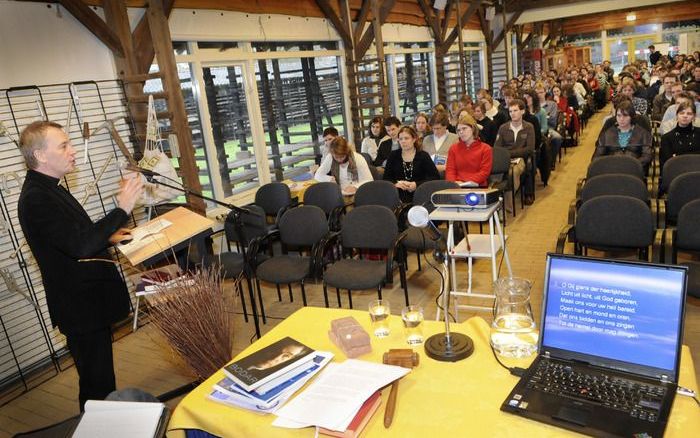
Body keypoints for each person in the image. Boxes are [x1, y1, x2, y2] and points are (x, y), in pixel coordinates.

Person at [17, 121, 143, 411]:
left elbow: (72, 238)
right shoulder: (36, 198)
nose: (73, 151)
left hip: (87, 303)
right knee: (96, 386)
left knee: (101, 378)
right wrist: (122, 209)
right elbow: (80, 246)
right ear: (41, 156)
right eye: (64, 145)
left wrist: (108, 237)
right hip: (78, 306)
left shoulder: (50, 189)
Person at [494, 99, 536, 205]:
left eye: (515, 110)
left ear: (522, 111)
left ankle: (508, 202)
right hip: (505, 159)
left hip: (521, 159)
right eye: (510, 111)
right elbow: (497, 147)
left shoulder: (528, 127)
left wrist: (509, 153)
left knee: (513, 173)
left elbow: (529, 149)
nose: (512, 114)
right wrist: (506, 155)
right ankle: (498, 197)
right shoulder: (503, 128)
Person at [383, 125, 439, 203]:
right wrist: (395, 184)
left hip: (420, 194)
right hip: (398, 195)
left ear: (414, 139)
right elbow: (386, 178)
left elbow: (435, 177)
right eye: (401, 139)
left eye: (406, 138)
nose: (403, 141)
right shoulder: (393, 155)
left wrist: (416, 184)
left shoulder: (423, 155)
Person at [594, 100, 653, 171]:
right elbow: (597, 157)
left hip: (634, 170)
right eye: (618, 115)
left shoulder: (643, 133)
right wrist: (609, 165)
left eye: (625, 116)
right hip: (611, 170)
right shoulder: (607, 133)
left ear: (632, 117)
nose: (621, 119)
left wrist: (630, 165)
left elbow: (647, 156)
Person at [444, 113, 493, 187]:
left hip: (478, 186)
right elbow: (450, 171)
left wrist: (465, 182)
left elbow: (484, 173)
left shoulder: (486, 149)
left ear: (473, 128)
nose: (461, 132)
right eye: (458, 130)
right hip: (456, 186)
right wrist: (453, 183)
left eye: (464, 128)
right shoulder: (453, 149)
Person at [659, 101, 700, 169]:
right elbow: (668, 162)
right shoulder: (667, 138)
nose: (685, 116)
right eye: (681, 113)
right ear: (677, 115)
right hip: (677, 171)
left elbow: (675, 159)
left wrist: (678, 156)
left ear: (694, 116)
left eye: (689, 114)